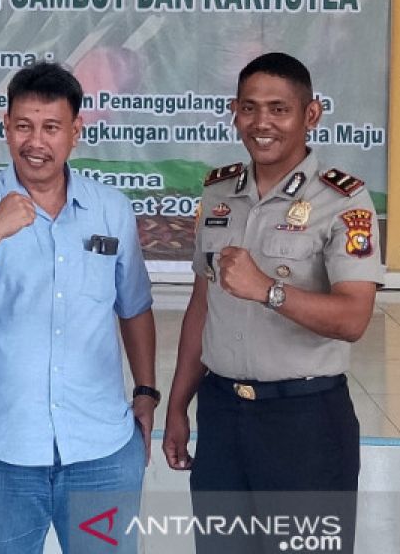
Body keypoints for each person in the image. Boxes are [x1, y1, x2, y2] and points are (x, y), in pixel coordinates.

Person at [0, 61, 156, 554]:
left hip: (101, 445)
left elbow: (134, 307)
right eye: (23, 126)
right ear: (5, 127)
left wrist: (146, 391)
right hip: (2, 445)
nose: (36, 141)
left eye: (51, 127)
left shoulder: (110, 209)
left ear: (76, 131)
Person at [162, 52, 384, 553]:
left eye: (279, 109)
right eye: (249, 108)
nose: (262, 123)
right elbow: (203, 306)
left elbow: (353, 318)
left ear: (311, 115)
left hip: (305, 422)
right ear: (234, 111)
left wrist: (268, 289)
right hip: (221, 414)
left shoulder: (344, 201)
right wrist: (178, 405)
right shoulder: (219, 193)